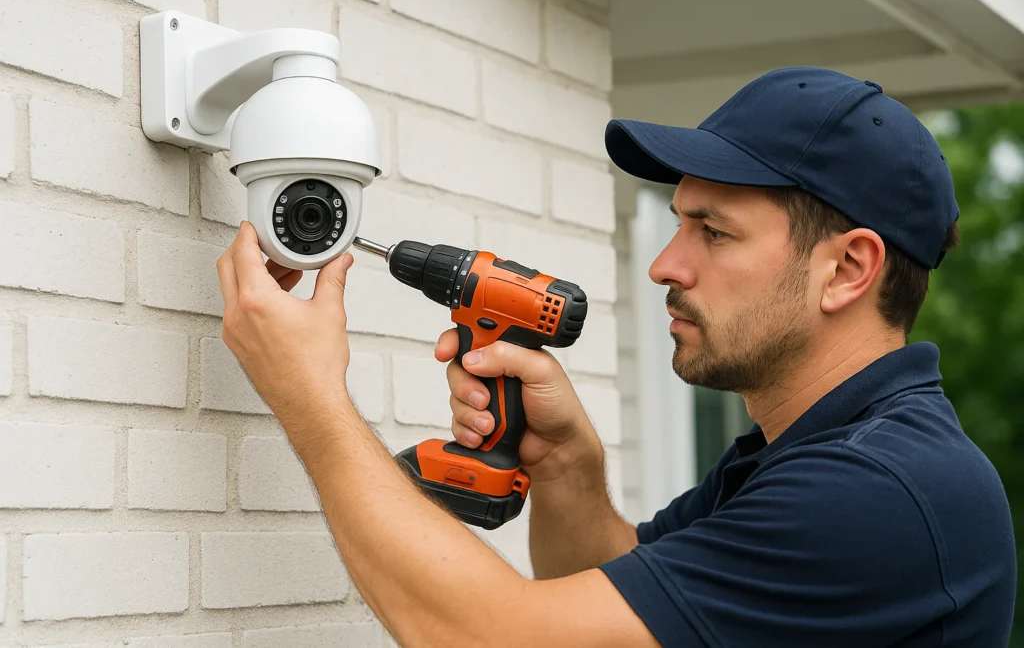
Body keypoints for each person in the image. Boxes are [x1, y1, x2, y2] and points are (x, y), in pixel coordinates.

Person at [216, 66, 1015, 647]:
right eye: (676, 222)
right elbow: (631, 601)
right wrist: (567, 465)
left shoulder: (876, 494)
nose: (666, 265)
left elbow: (489, 638)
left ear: (847, 269)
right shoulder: (800, 458)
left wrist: (310, 395)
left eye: (715, 230)